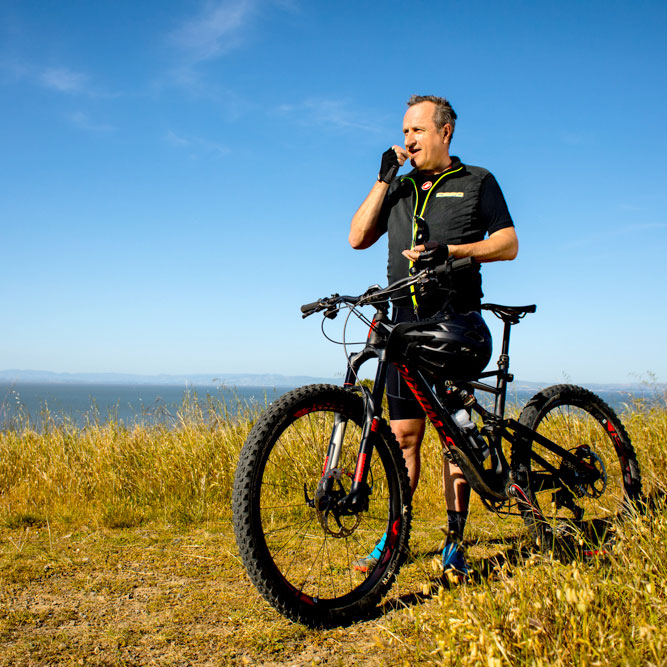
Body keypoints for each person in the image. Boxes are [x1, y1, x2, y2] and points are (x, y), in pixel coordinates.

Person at [348, 95, 518, 580]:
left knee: (454, 438)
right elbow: (357, 237)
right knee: (403, 436)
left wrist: (453, 250)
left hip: (453, 322)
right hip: (402, 325)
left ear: (445, 133)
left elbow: (508, 243)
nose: (408, 140)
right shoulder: (397, 189)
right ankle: (394, 539)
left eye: (418, 131)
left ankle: (454, 542)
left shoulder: (477, 181)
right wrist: (383, 179)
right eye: (404, 132)